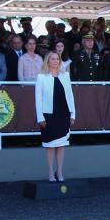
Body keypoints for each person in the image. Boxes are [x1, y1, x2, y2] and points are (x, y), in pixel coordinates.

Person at [35, 51, 76, 182]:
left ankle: (59, 172)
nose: (55, 61)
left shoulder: (65, 76)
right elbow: (38, 99)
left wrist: (73, 114)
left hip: (64, 113)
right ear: (48, 61)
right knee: (50, 145)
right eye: (52, 59)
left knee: (61, 144)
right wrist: (40, 117)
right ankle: (50, 173)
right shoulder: (41, 77)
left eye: (57, 59)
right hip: (48, 115)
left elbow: (70, 95)